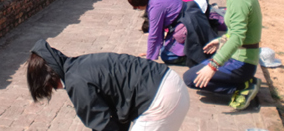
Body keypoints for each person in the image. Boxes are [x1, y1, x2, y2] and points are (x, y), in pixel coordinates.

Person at [27, 39, 190, 131]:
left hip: (160, 99)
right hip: (169, 81)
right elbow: (113, 113)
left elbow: (104, 125)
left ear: (49, 78)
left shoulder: (76, 82)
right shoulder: (79, 65)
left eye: (51, 88)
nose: (57, 90)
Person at [183, 0, 262, 111]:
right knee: (196, 67)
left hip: (242, 62)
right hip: (238, 56)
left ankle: (242, 87)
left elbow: (238, 36)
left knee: (190, 78)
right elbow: (237, 31)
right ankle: (240, 81)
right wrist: (222, 40)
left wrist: (213, 66)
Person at [126, 0, 216, 66]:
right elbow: (159, 33)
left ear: (137, 6)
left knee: (166, 56)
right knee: (163, 48)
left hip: (189, 25)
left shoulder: (155, 9)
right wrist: (152, 53)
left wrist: (149, 60)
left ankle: (190, 57)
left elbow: (154, 35)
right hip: (193, 17)